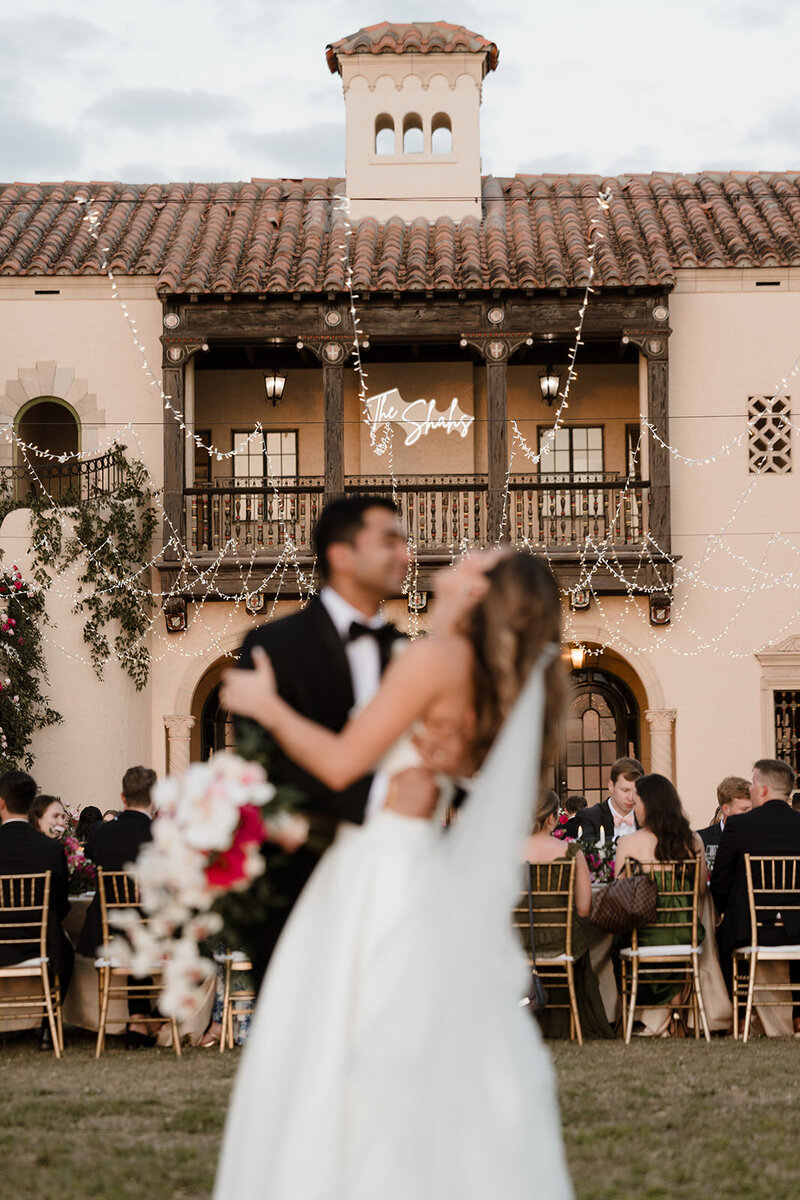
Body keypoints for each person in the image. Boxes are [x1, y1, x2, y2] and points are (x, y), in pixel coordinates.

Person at [215, 551, 573, 1200]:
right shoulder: (478, 673)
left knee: (343, 1047)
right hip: (415, 864)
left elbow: (340, 762)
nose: (464, 554)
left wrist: (266, 707)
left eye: (481, 558)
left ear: (481, 589)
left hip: (379, 871)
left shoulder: (436, 661)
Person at [233, 494, 409, 989]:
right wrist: (378, 803)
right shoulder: (272, 646)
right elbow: (265, 766)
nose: (406, 555)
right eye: (390, 540)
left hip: (393, 887)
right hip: (298, 885)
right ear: (342, 555)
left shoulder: (407, 654)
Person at [711, 758, 800, 1033]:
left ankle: (739, 1018)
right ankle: (797, 1016)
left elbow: (720, 883)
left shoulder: (740, 826)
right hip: (797, 929)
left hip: (750, 930)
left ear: (762, 790)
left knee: (719, 934)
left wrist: (723, 911)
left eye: (752, 784)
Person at [523, 788, 614, 1040]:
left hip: (516, 943)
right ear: (553, 818)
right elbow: (584, 909)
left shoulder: (505, 854)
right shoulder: (571, 853)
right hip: (559, 940)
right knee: (583, 940)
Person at [77, 766, 158, 1047]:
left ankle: (139, 1019)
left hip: (106, 930)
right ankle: (151, 1018)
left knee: (132, 931)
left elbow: (89, 855)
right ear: (155, 798)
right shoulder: (163, 833)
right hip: (154, 930)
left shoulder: (100, 832)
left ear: (123, 798)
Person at [614, 774, 706, 1015]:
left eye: (637, 804)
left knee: (613, 942)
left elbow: (620, 894)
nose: (634, 810)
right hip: (687, 934)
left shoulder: (628, 843)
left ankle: (639, 1015)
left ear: (649, 805)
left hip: (644, 935)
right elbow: (701, 889)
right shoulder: (693, 840)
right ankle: (677, 1009)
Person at [0, 770, 73, 1049]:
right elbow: (62, 904)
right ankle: (47, 1026)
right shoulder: (49, 850)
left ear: (1, 803)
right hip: (40, 946)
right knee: (65, 949)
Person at [564, 756, 644, 840]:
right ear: (611, 786)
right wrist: (617, 841)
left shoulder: (649, 817)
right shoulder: (590, 816)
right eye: (625, 790)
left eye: (636, 791)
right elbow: (587, 844)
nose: (630, 798)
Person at [696, 776, 751, 848]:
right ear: (726, 809)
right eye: (744, 809)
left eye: (753, 808)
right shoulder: (701, 840)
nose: (751, 813)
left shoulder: (761, 838)